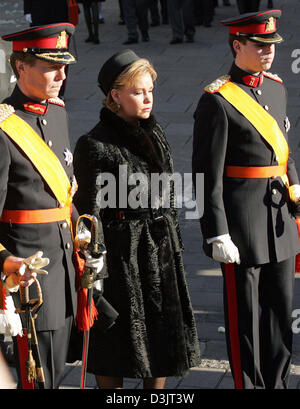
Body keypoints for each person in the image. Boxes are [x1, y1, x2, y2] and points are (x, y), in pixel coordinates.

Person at [73, 49, 201, 389]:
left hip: (159, 254)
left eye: (150, 91)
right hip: (121, 260)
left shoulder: (154, 132)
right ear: (115, 95)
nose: (147, 99)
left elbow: (169, 191)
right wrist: (96, 268)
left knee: (161, 341)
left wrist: (172, 238)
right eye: (137, 91)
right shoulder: (94, 144)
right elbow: (89, 215)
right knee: (115, 345)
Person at [192, 10, 300, 389]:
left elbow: (283, 152)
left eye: (272, 45)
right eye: (259, 45)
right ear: (238, 46)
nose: (268, 51)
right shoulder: (218, 100)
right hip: (242, 227)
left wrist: (296, 189)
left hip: (279, 219)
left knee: (280, 313)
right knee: (247, 318)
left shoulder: (276, 87)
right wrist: (216, 232)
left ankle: (278, 382)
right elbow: (206, 175)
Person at [0, 23, 79, 389]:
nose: (61, 75)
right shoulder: (4, 129)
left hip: (65, 270)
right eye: (51, 66)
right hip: (28, 277)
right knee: (38, 378)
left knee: (57, 371)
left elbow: (64, 195)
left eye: (64, 65)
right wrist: (4, 266)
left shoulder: (58, 112)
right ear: (21, 67)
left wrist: (86, 238)